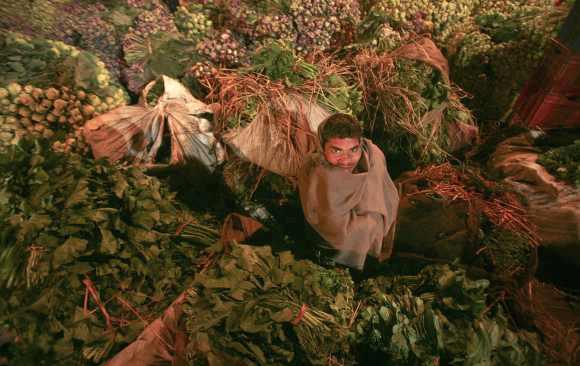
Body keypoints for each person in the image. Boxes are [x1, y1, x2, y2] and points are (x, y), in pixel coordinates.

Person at [297, 113, 399, 271]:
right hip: (329, 244)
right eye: (336, 151)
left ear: (361, 143)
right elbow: (328, 220)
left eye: (353, 150)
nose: (346, 160)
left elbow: (384, 196)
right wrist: (365, 228)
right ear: (322, 147)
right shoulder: (317, 169)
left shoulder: (374, 156)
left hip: (374, 237)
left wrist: (372, 225)